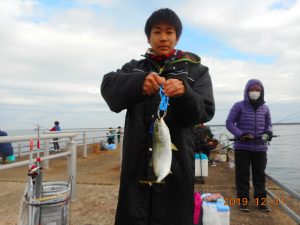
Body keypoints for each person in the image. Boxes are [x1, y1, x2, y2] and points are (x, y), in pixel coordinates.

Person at [101, 8, 214, 225]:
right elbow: (109, 90)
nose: (163, 37)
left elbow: (205, 111)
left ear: (177, 37)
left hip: (177, 169)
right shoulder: (134, 69)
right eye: (157, 32)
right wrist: (138, 84)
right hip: (136, 171)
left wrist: (185, 93)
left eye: (169, 32)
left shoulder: (196, 71)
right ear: (148, 37)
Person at [226, 79, 273, 213]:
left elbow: (269, 124)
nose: (255, 92)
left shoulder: (265, 108)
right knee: (242, 175)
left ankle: (261, 202)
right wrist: (241, 134)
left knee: (260, 175)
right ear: (247, 91)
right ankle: (243, 201)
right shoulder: (238, 106)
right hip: (242, 148)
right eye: (252, 89)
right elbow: (229, 123)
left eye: (258, 90)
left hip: (260, 148)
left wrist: (268, 133)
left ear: (262, 92)